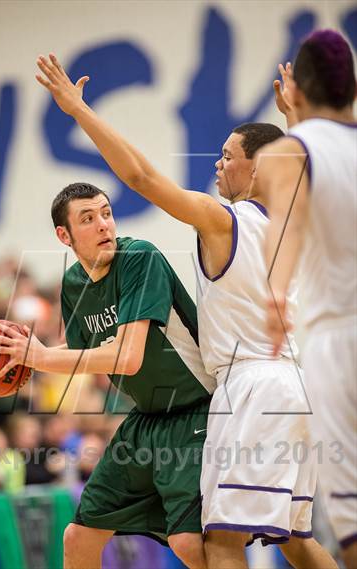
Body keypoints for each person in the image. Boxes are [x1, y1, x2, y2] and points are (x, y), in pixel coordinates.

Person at [33, 53, 341, 569]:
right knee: (296, 541)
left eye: (227, 156)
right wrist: (296, 119)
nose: (217, 165)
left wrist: (79, 112)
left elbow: (140, 176)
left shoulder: (224, 219)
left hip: (252, 387)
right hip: (289, 385)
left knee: (217, 543)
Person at [0, 180, 216, 569]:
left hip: (195, 410)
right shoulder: (73, 284)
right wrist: (23, 358)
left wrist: (39, 357)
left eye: (106, 213)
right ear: (64, 234)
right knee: (78, 537)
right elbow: (86, 355)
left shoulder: (140, 258)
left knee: (188, 543)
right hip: (145, 420)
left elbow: (126, 358)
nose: (104, 224)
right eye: (88, 219)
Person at [256, 29, 356, 569]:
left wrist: (275, 292)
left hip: (336, 346)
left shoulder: (286, 153)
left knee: (352, 527)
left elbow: (289, 225)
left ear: (299, 88)